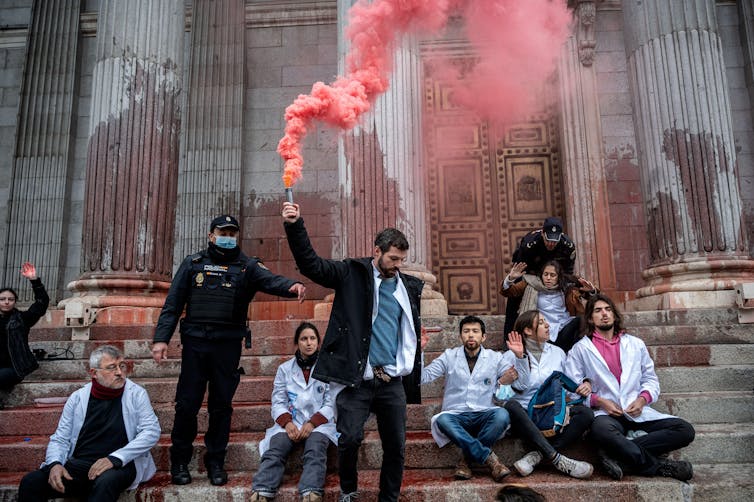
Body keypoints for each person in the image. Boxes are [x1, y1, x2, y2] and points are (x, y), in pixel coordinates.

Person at [282, 202, 423, 502]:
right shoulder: (351, 273)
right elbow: (312, 265)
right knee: (349, 440)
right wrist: (295, 226)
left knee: (396, 446)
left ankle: (389, 498)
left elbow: (407, 329)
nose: (398, 264)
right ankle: (348, 490)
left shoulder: (408, 286)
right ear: (377, 251)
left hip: (391, 381)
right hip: (355, 379)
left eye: (402, 259)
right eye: (393, 258)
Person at [152, 214, 306, 487]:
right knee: (186, 406)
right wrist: (161, 339)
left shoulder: (247, 267)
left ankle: (215, 462)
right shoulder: (193, 264)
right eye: (223, 232)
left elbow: (271, 280)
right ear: (211, 235)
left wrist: (291, 286)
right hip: (196, 345)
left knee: (221, 407)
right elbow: (173, 304)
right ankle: (179, 463)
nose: (228, 237)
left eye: (233, 233)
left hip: (227, 346)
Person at [565, 294, 696, 481]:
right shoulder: (580, 349)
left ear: (615, 315)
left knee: (685, 430)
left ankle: (617, 452)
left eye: (608, 309)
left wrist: (642, 400)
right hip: (606, 415)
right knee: (600, 430)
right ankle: (659, 466)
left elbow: (651, 380)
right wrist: (599, 401)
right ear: (589, 319)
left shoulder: (635, 344)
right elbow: (571, 390)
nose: (604, 314)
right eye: (598, 310)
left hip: (636, 411)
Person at [17, 345, 160, 501]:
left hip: (120, 464)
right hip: (81, 464)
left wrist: (114, 459)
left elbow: (151, 431)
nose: (119, 372)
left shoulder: (137, 394)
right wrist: (55, 464)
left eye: (122, 366)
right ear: (94, 373)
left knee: (106, 481)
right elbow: (60, 438)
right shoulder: (77, 397)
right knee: (31, 482)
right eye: (111, 368)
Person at [420, 315, 529, 482]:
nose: (471, 335)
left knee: (502, 415)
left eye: (475, 331)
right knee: (442, 420)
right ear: (460, 336)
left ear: (483, 337)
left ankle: (466, 461)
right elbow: (422, 377)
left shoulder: (495, 358)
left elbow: (522, 384)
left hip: (484, 413)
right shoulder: (449, 356)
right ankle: (490, 459)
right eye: (466, 331)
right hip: (456, 414)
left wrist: (520, 357)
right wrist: (419, 352)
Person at [251, 322, 337, 502]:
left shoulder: (327, 367)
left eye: (313, 338)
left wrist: (312, 423)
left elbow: (331, 402)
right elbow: (278, 401)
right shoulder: (285, 369)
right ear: (297, 343)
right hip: (291, 422)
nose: (309, 343)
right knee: (277, 447)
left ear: (318, 342)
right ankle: (263, 489)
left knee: (315, 447)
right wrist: (287, 423)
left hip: (319, 424)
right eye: (304, 339)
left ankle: (311, 491)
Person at [506, 310, 594, 478]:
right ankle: (557, 458)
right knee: (511, 406)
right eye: (541, 322)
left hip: (551, 413)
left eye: (547, 321)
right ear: (528, 330)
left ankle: (538, 454)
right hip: (525, 416)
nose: (547, 325)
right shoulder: (509, 356)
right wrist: (519, 359)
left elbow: (570, 383)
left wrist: (586, 383)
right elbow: (500, 396)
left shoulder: (558, 353)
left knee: (586, 413)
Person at [500, 260, 596, 353]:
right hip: (544, 331)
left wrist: (591, 291)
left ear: (558, 277)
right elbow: (508, 292)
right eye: (545, 274)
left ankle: (578, 353)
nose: (548, 278)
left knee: (582, 320)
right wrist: (510, 279)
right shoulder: (532, 284)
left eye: (552, 275)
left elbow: (591, 297)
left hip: (564, 328)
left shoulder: (567, 288)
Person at [504, 216, 576, 336]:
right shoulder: (529, 244)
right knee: (515, 296)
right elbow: (520, 267)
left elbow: (568, 271)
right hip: (531, 272)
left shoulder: (567, 246)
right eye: (548, 240)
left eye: (554, 241)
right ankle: (509, 336)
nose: (551, 244)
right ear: (542, 234)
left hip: (555, 274)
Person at [0, 262, 50, 393]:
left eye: (10, 299)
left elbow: (41, 303)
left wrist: (34, 280)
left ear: (15, 302)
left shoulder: (22, 319)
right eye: (2, 299)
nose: (6, 302)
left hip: (15, 367)